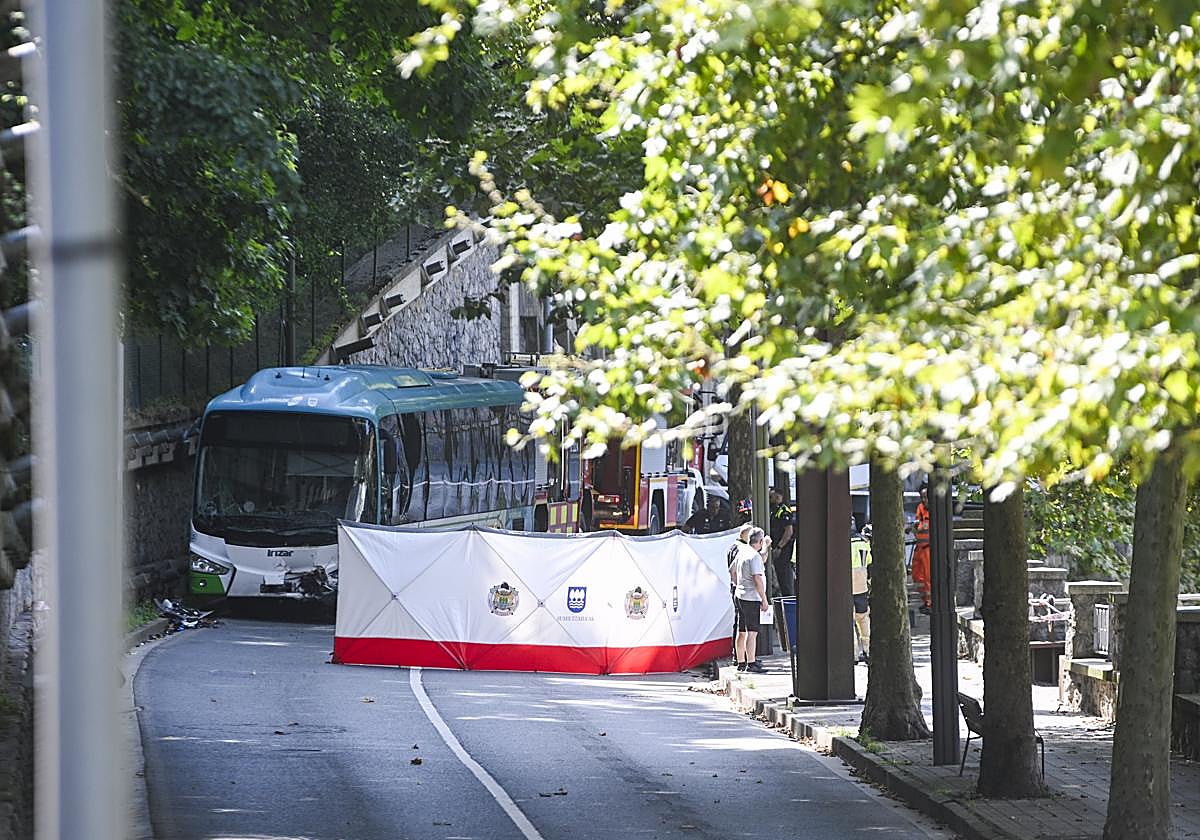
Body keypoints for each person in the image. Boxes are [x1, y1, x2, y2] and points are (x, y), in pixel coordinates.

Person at [731, 527, 770, 673]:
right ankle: (751, 663)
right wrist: (764, 599)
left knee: (741, 631)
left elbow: (732, 571)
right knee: (752, 632)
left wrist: (739, 584)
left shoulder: (742, 552)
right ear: (760, 541)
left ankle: (741, 662)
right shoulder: (754, 557)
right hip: (751, 598)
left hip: (739, 595)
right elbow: (757, 579)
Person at [850, 523, 872, 664]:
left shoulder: (841, 543)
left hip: (845, 587)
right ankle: (868, 650)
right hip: (861, 585)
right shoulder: (864, 542)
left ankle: (853, 654)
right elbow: (869, 562)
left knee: (848, 621)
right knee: (863, 619)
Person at [768, 489, 795, 598]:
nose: (769, 499)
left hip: (783, 551)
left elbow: (789, 531)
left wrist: (779, 547)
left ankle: (788, 600)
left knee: (784, 579)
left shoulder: (783, 511)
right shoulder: (772, 510)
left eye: (771, 497)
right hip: (774, 549)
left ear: (778, 498)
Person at [911, 485, 932, 614]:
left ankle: (930, 603)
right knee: (917, 576)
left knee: (928, 577)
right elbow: (918, 524)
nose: (924, 500)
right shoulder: (920, 508)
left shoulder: (935, 510)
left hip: (929, 548)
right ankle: (925, 601)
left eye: (926, 497)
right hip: (920, 547)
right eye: (922, 497)